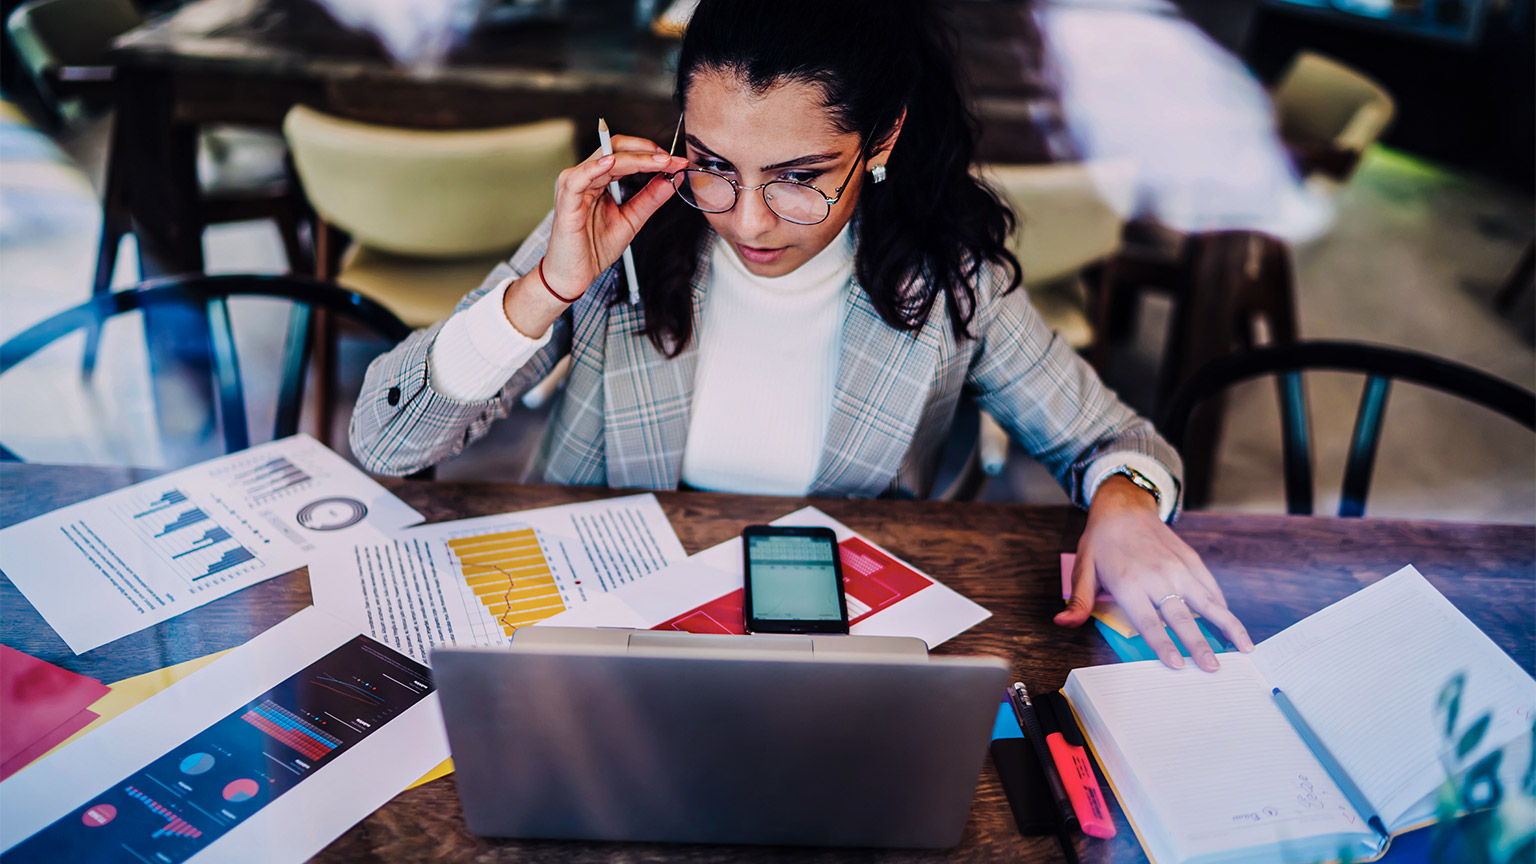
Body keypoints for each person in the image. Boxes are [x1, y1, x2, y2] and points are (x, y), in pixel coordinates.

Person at [350, 0, 1253, 671]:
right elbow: (389, 442)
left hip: (826, 652)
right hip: (603, 629)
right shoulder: (617, 239)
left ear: (882, 137)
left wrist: (1127, 505)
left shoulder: (946, 281)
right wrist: (547, 288)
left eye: (800, 176)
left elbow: (1114, 442)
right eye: (712, 166)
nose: (747, 222)